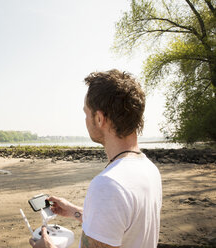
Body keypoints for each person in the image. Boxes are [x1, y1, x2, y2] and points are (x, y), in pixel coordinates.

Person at [29, 69, 162, 248]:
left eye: (86, 113)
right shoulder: (148, 168)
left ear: (99, 118)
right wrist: (75, 212)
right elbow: (122, 225)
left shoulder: (108, 185)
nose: (85, 119)